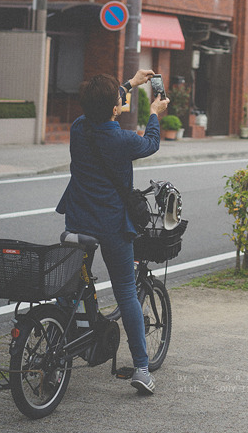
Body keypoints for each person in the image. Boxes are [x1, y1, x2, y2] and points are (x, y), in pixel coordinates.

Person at [56, 70, 170, 395]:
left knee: (73, 287)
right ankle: (142, 369)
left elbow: (101, 106)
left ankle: (61, 341)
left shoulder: (79, 128)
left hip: (77, 221)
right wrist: (153, 113)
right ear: (115, 110)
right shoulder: (122, 140)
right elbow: (152, 143)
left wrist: (131, 84)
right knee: (125, 292)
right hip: (112, 228)